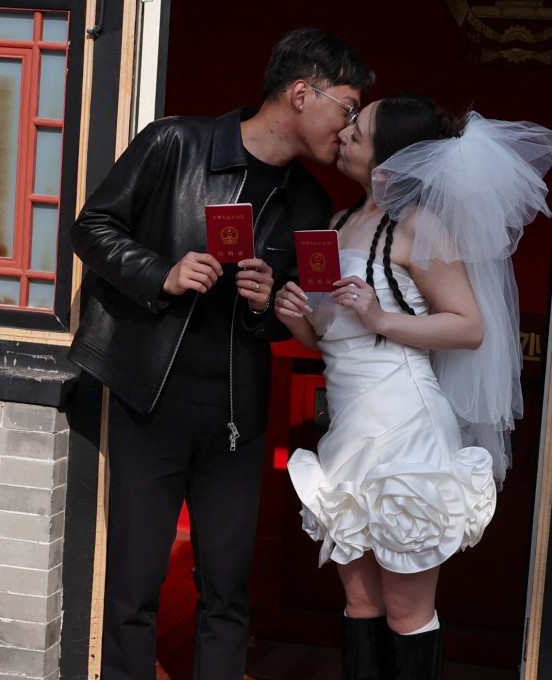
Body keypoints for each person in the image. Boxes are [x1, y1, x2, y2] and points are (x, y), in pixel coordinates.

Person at [68, 28, 375, 680]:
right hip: (149, 401)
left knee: (228, 593)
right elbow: (91, 227)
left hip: (235, 418)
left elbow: (303, 320)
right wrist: (162, 273)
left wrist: (268, 306)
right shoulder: (174, 144)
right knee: (133, 588)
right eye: (345, 108)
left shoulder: (311, 203)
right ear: (300, 94)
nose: (347, 130)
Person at [274, 94, 552, 679]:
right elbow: (329, 336)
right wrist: (291, 314)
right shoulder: (337, 222)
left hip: (405, 427)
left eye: (362, 126)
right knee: (359, 603)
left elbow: (469, 326)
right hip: (348, 428)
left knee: (406, 610)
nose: (347, 132)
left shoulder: (418, 227)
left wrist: (382, 318)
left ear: (393, 157)